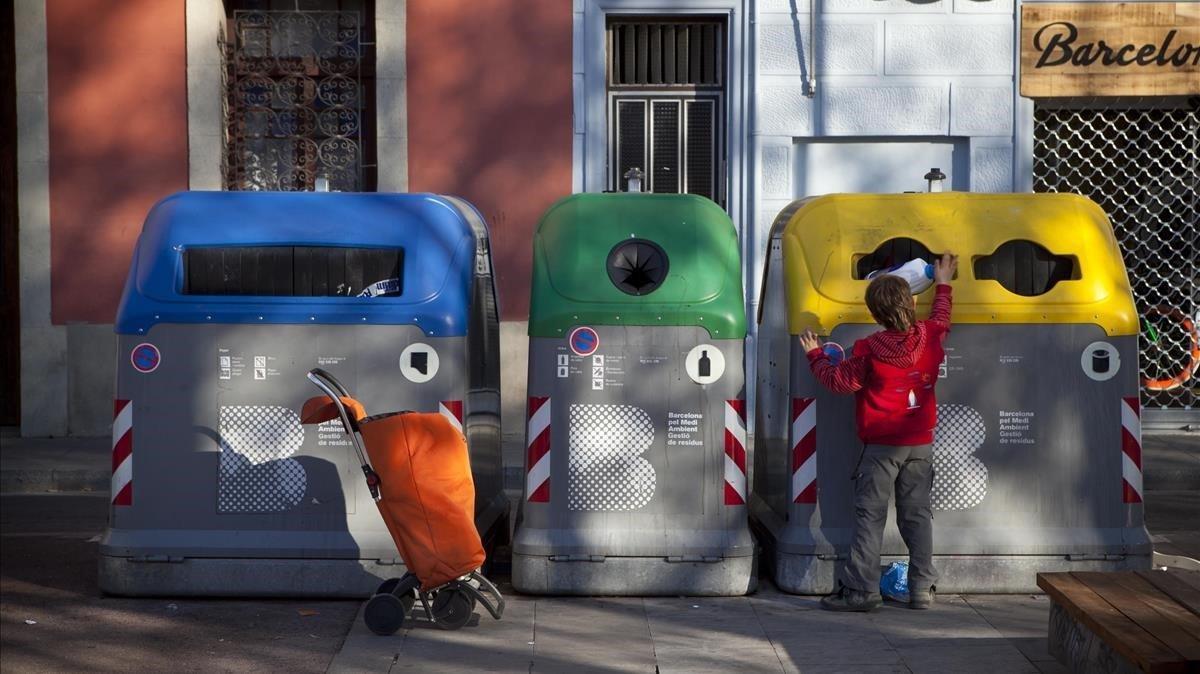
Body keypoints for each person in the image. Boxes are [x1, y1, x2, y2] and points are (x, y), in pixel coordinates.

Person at [799, 252, 958, 612]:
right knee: (917, 515)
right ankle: (921, 588)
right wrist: (944, 281)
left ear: (874, 314)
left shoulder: (869, 350)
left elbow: (838, 382)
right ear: (911, 302)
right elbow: (942, 315)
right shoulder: (931, 337)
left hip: (880, 448)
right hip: (920, 444)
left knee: (870, 518)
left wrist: (814, 355)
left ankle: (861, 592)